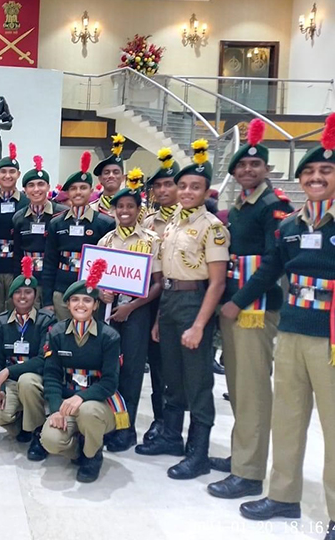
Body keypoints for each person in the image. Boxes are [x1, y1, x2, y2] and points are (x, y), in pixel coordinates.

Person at [227, 114, 335, 539]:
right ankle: (283, 495)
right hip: (293, 333)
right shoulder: (289, 226)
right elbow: (267, 272)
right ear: (302, 177)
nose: (317, 178)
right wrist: (236, 304)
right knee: (287, 418)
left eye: (326, 170)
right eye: (310, 172)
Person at [206, 119, 294, 500]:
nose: (247, 170)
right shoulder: (242, 206)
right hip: (236, 307)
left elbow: (273, 264)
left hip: (255, 309)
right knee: (239, 387)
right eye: (241, 166)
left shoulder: (274, 207)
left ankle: (250, 473)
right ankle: (244, 457)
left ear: (267, 170)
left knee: (254, 390)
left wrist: (235, 303)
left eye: (254, 165)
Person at [135, 140, 229, 482]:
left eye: (195, 187)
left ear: (206, 191)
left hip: (195, 303)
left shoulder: (213, 228)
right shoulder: (172, 223)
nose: (187, 191)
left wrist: (200, 325)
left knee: (198, 382)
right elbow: (167, 275)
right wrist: (160, 319)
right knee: (172, 377)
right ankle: (172, 438)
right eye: (183, 186)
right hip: (171, 303)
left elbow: (217, 283)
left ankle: (198, 452)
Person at [39, 260, 127, 483]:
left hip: (98, 404)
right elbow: (51, 375)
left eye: (87, 300)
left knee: (88, 412)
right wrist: (57, 409)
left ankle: (92, 455)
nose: (81, 305)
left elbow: (109, 382)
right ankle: (79, 447)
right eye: (75, 300)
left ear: (95, 305)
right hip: (67, 401)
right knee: (49, 439)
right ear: (67, 304)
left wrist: (82, 397)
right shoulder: (57, 333)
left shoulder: (109, 337)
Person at [96, 168, 163, 452]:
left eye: (130, 206)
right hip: (109, 313)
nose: (124, 211)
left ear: (139, 209)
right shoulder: (105, 241)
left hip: (137, 313)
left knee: (133, 372)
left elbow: (159, 284)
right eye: (120, 206)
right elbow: (93, 280)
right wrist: (100, 291)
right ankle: (109, 424)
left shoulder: (151, 240)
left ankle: (127, 428)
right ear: (113, 210)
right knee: (110, 368)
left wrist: (132, 306)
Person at [0, 257, 55, 460]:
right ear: (11, 297)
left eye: (28, 292)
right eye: (18, 292)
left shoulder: (46, 320)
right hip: (11, 384)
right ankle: (24, 422)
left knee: (26, 380)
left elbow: (43, 360)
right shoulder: (0, 323)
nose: (23, 296)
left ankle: (37, 433)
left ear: (35, 295)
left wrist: (9, 371)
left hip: (34, 381)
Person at [139, 148, 180, 446]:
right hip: (153, 299)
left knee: (177, 365)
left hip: (181, 298)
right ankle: (160, 421)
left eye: (169, 184)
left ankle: (176, 427)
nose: (163, 190)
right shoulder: (147, 222)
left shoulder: (188, 219)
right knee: (157, 362)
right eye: (159, 185)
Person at [43, 151, 115, 320]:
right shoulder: (56, 223)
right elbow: (50, 263)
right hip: (61, 291)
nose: (78, 192)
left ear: (91, 191)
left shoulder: (105, 223)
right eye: (73, 189)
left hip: (91, 292)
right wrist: (47, 300)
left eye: (83, 188)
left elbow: (109, 263)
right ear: (67, 193)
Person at [12, 155, 67, 308]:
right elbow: (17, 254)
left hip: (54, 279)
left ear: (48, 187)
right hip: (29, 281)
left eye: (41, 184)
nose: (36, 189)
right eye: (31, 185)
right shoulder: (19, 217)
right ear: (25, 190)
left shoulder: (61, 215)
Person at [0, 143, 29, 316]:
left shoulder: (27, 203)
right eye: (3, 172)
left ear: (18, 175)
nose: (7, 176)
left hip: (17, 266)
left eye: (12, 172)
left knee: (16, 314)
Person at [89, 135, 126, 214]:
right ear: (100, 179)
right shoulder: (90, 210)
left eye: (116, 172)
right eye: (106, 172)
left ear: (123, 178)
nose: (111, 176)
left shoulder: (134, 210)